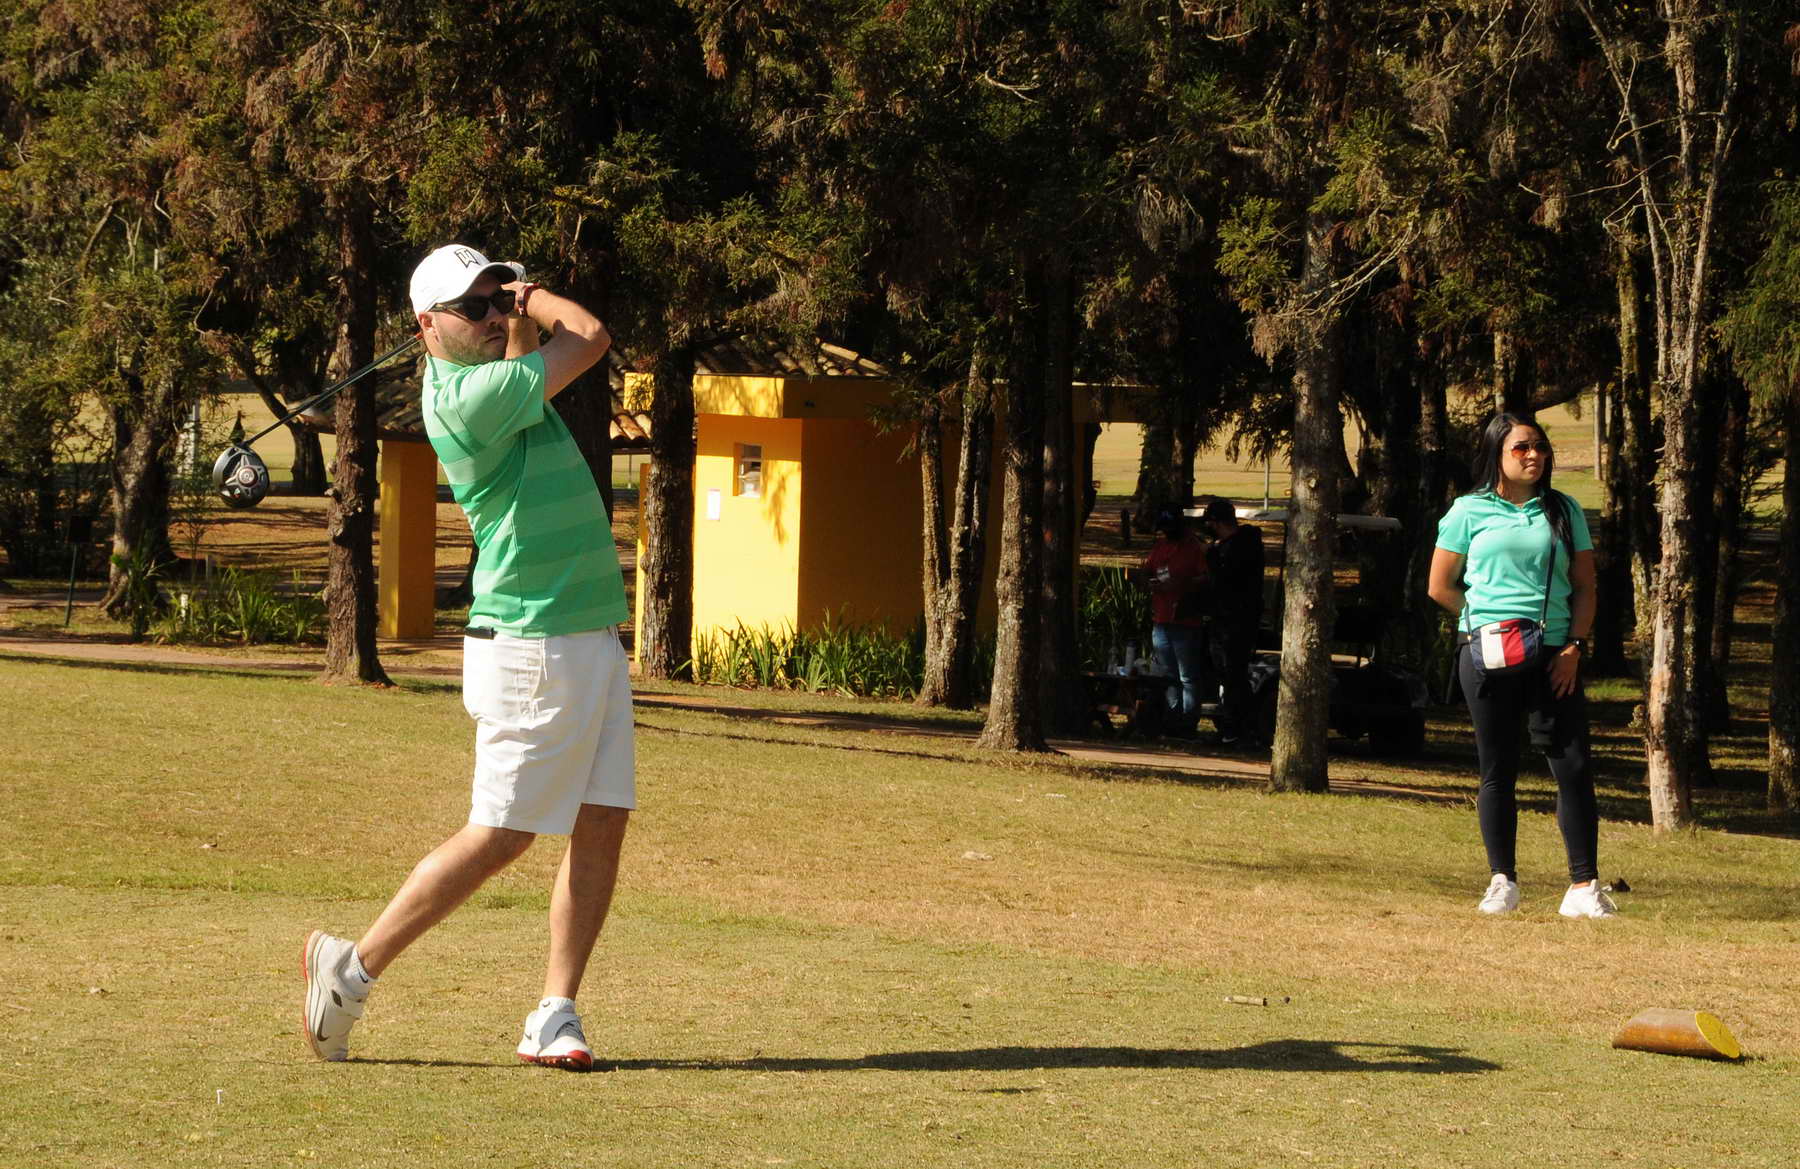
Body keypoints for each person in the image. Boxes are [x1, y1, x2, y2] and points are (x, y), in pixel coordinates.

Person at [302, 244, 630, 1070]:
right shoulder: (471, 398)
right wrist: (532, 294)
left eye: (494, 298)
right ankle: (351, 971)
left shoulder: (501, 377)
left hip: (585, 630)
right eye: (472, 306)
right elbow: (589, 335)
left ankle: (554, 1011)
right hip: (531, 640)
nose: (491, 315)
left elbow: (530, 352)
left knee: (601, 819)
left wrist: (510, 315)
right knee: (502, 835)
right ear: (427, 326)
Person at [1427, 412, 1611, 919]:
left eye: (1541, 446)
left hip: (1555, 655)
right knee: (1497, 768)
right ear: (1497, 454)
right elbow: (1440, 586)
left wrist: (1573, 646)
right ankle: (1502, 881)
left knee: (1572, 765)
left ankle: (1583, 887)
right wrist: (1484, 625)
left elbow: (1586, 587)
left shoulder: (1562, 509)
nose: (1535, 455)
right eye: (1522, 447)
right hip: (1487, 653)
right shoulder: (1468, 510)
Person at [1199, 497, 1264, 745]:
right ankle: (1238, 726)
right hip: (1228, 618)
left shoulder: (1237, 549)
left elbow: (1224, 580)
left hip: (1235, 620)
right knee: (1228, 674)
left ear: (1217, 523)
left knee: (1232, 673)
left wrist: (1210, 555)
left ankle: (1237, 727)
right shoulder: (1238, 545)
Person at [1142, 507, 1210, 735]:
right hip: (1161, 618)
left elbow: (1205, 577)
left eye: (1169, 529)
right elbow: (1148, 569)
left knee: (1187, 676)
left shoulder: (1194, 547)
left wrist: (1183, 584)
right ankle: (1172, 719)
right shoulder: (1160, 546)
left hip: (1186, 620)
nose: (1165, 533)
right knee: (1169, 675)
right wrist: (1151, 582)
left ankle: (1188, 722)